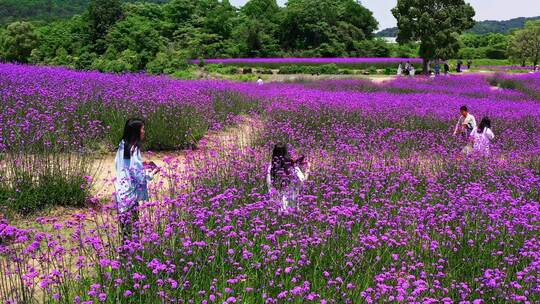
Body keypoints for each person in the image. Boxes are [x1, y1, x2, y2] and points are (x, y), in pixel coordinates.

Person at [115, 118, 158, 241]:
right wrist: (152, 172)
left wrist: (143, 164)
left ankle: (124, 255)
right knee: (132, 232)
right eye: (142, 129)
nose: (144, 131)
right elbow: (138, 176)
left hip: (121, 193)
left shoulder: (123, 146)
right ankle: (130, 257)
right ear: (136, 132)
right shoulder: (134, 149)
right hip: (130, 195)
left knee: (125, 231)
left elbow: (123, 166)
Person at [266, 144, 309, 211]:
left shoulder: (271, 168)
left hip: (277, 208)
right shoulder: (292, 168)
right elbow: (302, 181)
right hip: (291, 206)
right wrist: (307, 169)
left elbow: (269, 186)